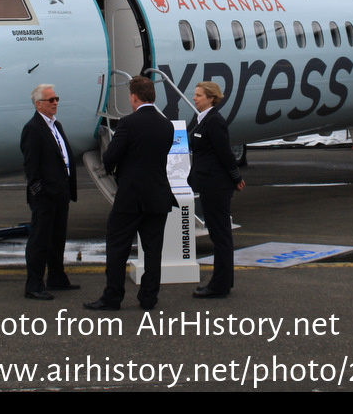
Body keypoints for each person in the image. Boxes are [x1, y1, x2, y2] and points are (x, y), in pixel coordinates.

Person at [84, 76, 177, 311]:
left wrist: (117, 168)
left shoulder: (128, 124)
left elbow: (110, 156)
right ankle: (148, 298)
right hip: (157, 195)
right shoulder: (167, 125)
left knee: (117, 249)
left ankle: (113, 297)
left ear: (134, 97)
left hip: (130, 197)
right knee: (153, 250)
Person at [20, 84, 78, 300]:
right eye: (50, 100)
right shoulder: (33, 128)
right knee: (40, 240)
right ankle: (33, 284)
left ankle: (56, 277)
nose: (55, 103)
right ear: (38, 104)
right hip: (45, 196)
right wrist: (39, 192)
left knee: (57, 239)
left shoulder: (56, 125)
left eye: (56, 99)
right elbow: (31, 166)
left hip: (60, 193)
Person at [187, 81, 245, 298]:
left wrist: (236, 177)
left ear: (211, 98)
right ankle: (223, 282)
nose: (194, 98)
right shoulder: (203, 120)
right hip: (210, 183)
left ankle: (218, 285)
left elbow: (224, 153)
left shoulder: (214, 121)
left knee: (220, 235)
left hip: (216, 186)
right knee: (219, 234)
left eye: (199, 95)